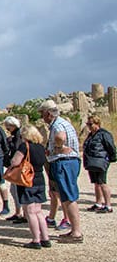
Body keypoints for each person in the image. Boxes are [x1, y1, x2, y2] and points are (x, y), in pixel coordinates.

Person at [39, 100, 83, 243]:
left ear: (48, 113)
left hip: (64, 161)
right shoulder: (62, 122)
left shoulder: (57, 125)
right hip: (69, 161)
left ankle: (76, 232)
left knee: (69, 196)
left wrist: (58, 147)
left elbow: (60, 137)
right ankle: (74, 230)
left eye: (42, 113)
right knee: (66, 195)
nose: (41, 116)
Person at [10, 125, 51, 249]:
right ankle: (45, 237)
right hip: (39, 179)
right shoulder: (40, 147)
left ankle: (35, 239)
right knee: (38, 211)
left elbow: (15, 162)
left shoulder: (25, 147)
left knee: (30, 212)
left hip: (27, 180)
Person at [83, 115, 116, 213]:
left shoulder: (104, 134)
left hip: (100, 161)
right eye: (87, 124)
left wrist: (110, 158)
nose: (88, 126)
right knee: (96, 183)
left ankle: (108, 205)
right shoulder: (91, 135)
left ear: (97, 123)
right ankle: (98, 203)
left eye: (90, 124)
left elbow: (111, 147)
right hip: (91, 161)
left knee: (102, 183)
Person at [3, 116, 26, 223]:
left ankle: (22, 213)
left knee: (17, 190)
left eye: (8, 127)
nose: (7, 129)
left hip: (18, 166)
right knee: (15, 190)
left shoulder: (18, 136)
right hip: (17, 166)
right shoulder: (17, 134)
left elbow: (17, 149)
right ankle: (19, 212)